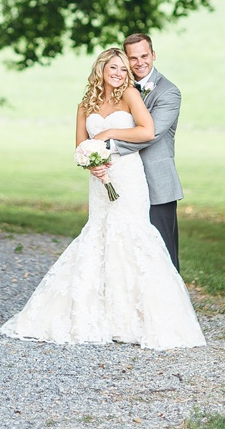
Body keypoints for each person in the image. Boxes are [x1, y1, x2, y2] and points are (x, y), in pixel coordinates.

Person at [0, 47, 206, 350]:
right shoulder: (85, 104)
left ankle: (142, 318)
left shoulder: (131, 96)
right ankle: (101, 316)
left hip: (128, 174)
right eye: (115, 68)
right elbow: (80, 145)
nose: (121, 73)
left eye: (124, 69)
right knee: (98, 234)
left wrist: (107, 134)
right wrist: (90, 161)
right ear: (101, 70)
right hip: (99, 180)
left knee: (132, 234)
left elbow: (148, 132)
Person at [97, 33, 184, 271]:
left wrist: (107, 145)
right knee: (128, 252)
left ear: (153, 55)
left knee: (163, 254)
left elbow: (151, 134)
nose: (139, 63)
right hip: (126, 181)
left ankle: (172, 307)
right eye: (133, 58)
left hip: (157, 184)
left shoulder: (169, 92)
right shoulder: (119, 87)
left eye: (144, 56)